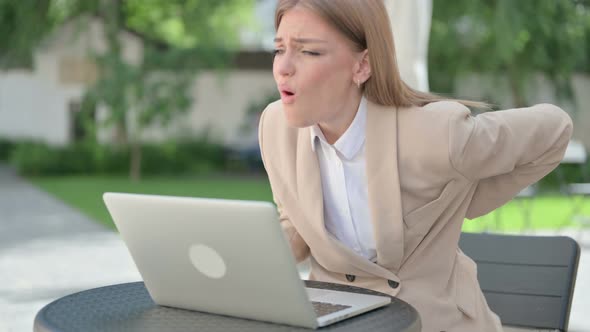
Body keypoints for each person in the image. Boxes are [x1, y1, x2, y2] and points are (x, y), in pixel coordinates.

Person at [257, 1, 573, 331]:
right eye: (279, 49)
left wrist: (469, 197)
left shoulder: (437, 134)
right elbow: (296, 226)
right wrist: (235, 254)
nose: (284, 68)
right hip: (335, 321)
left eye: (308, 51)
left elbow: (556, 129)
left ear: (362, 66)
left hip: (431, 323)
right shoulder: (275, 126)